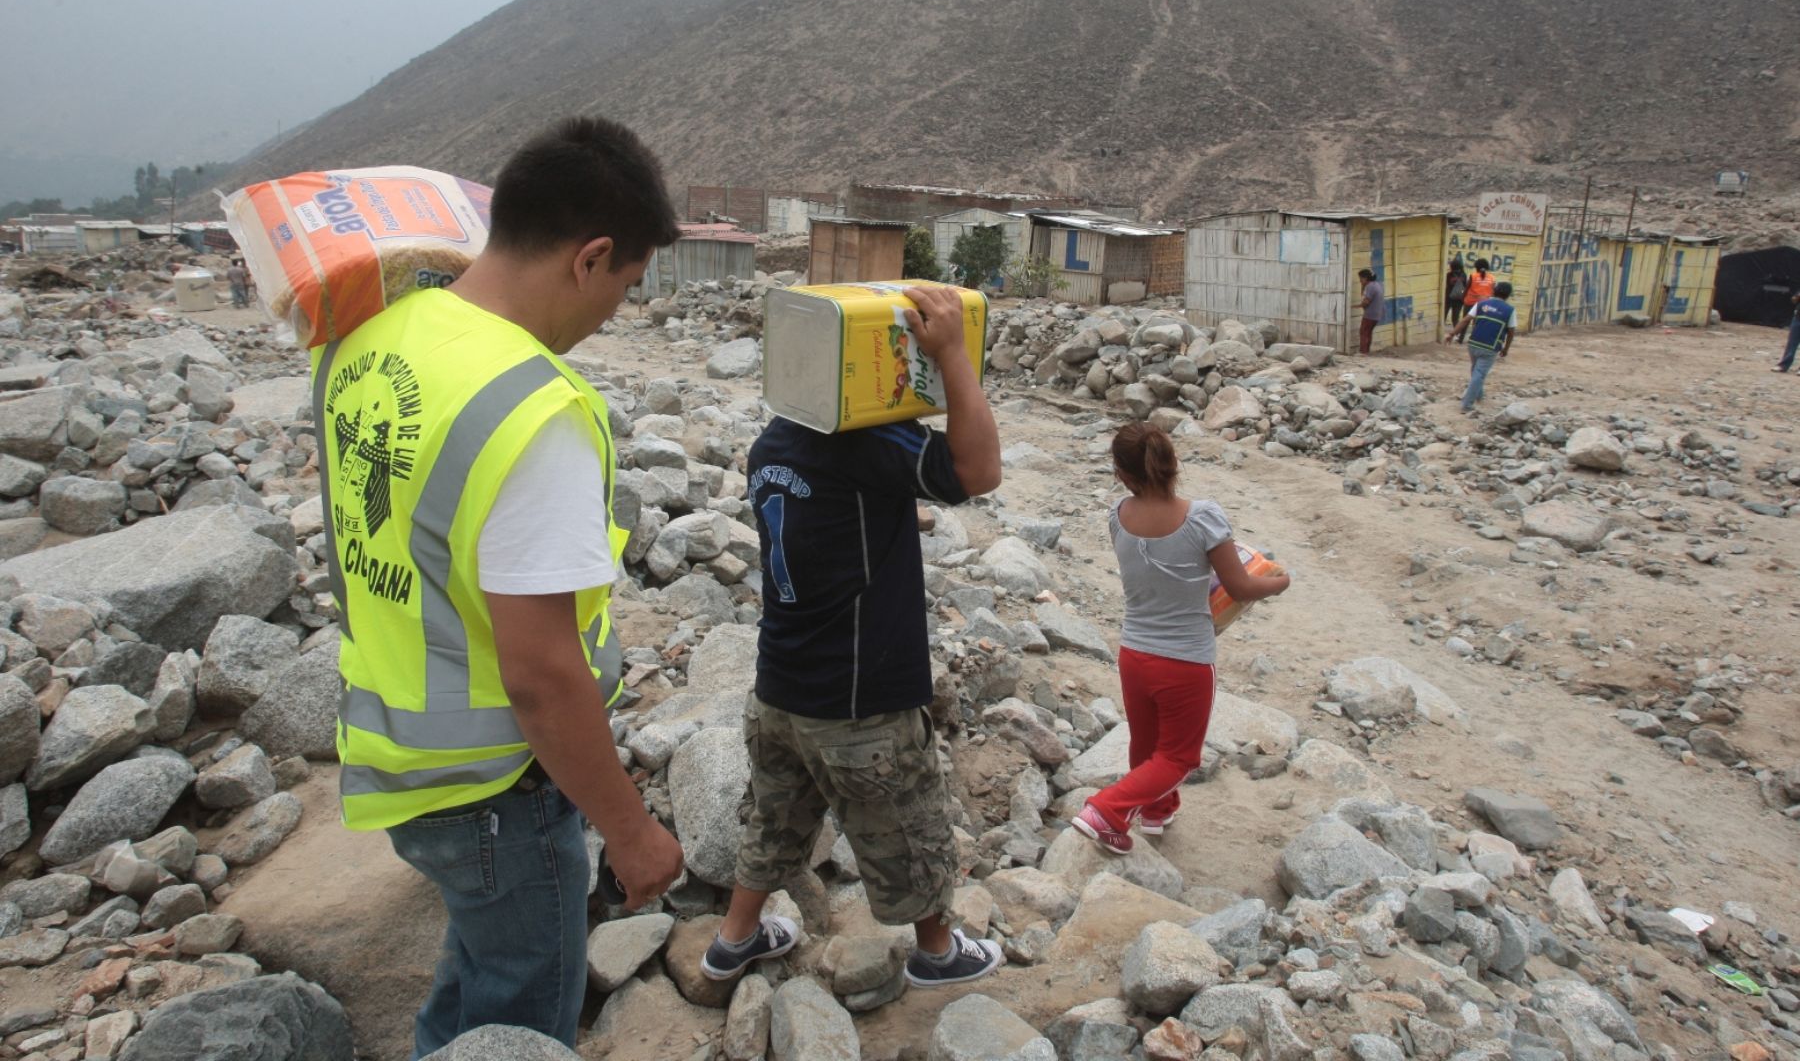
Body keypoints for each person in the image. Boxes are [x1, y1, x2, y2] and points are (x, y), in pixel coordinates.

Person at [314, 117, 686, 1056]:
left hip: (400, 752)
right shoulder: (533, 411)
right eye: (626, 287)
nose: (614, 314)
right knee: (521, 1011)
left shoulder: (374, 334)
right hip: (496, 786)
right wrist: (633, 835)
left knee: (478, 973)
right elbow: (543, 675)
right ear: (590, 257)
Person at [701, 284, 1006, 992]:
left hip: (780, 687)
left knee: (776, 817)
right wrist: (954, 354)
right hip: (861, 697)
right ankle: (936, 952)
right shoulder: (870, 444)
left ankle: (732, 940)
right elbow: (980, 470)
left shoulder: (771, 442)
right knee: (906, 824)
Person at [1073, 423, 1289, 855]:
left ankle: (1156, 811)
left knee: (1147, 742)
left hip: (1134, 652)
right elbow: (1242, 587)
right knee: (1179, 756)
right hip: (1186, 659)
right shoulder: (1203, 518)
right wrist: (1281, 582)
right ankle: (1106, 810)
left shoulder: (1118, 516)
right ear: (1173, 464)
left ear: (1120, 473)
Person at [1449, 279, 1518, 413]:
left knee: (1476, 371)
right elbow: (1511, 332)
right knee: (1479, 374)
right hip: (1490, 347)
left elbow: (1465, 320)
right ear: (1508, 295)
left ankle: (1479, 395)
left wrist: (1452, 334)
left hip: (1473, 343)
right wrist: (1506, 349)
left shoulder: (1481, 304)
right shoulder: (1509, 310)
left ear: (1493, 291)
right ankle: (1467, 405)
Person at [1358, 267, 1384, 355]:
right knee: (1368, 332)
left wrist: (1357, 306)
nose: (1360, 281)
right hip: (1376, 314)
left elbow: (1366, 301)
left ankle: (1363, 352)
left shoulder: (1370, 287)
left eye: (1361, 278)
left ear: (1365, 278)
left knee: (1364, 332)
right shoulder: (1376, 285)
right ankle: (1366, 351)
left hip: (1370, 314)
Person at [1773, 291, 1799, 373]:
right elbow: (1793, 300)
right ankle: (1783, 365)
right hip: (1798, 318)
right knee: (1792, 343)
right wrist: (1798, 296)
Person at [1445, 259, 1469, 326]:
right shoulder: (1464, 275)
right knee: (1455, 319)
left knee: (1443, 316)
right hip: (1459, 299)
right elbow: (1465, 286)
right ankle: (1456, 334)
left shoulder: (1448, 275)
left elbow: (1446, 285)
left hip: (1448, 298)